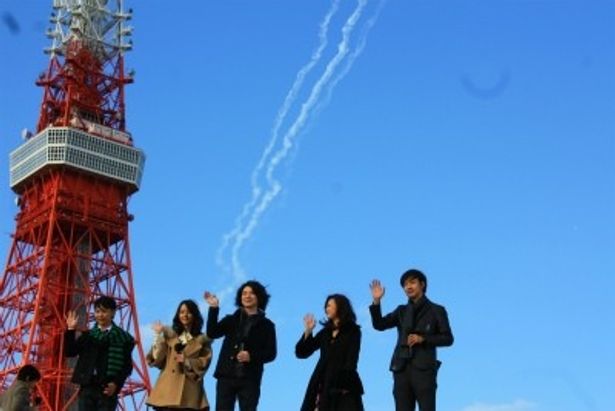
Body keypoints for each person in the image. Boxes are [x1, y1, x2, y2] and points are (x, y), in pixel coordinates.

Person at [369, 269, 453, 411]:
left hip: (424, 369)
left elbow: (448, 338)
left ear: (422, 284)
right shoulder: (401, 311)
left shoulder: (436, 310)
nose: (408, 287)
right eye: (405, 285)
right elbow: (379, 325)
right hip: (401, 367)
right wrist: (376, 302)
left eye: (412, 282)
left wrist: (423, 339)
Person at [204, 281, 277, 411]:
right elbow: (212, 333)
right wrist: (214, 308)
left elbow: (271, 353)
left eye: (251, 293)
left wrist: (251, 356)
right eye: (244, 293)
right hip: (226, 375)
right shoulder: (231, 319)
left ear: (259, 297)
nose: (247, 296)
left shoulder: (267, 325)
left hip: (250, 378)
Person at [65, 296, 135, 411]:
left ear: (112, 313)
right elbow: (70, 352)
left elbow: (127, 366)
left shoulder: (124, 338)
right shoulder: (88, 336)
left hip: (107, 388)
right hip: (87, 387)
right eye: (97, 311)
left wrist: (116, 384)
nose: (100, 315)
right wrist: (70, 329)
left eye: (104, 311)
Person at [295, 294, 364, 411]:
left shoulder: (353, 331)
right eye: (326, 306)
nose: (327, 309)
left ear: (340, 307)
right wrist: (308, 331)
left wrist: (345, 383)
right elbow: (302, 353)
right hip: (321, 380)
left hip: (342, 380)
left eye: (330, 305)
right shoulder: (325, 332)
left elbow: (352, 358)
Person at [146, 299, 213, 411]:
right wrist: (157, 335)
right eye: (181, 312)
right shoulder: (170, 336)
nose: (185, 315)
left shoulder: (202, 340)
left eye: (188, 312)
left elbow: (204, 363)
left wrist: (187, 361)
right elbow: (157, 358)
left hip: (189, 395)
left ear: (195, 315)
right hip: (167, 392)